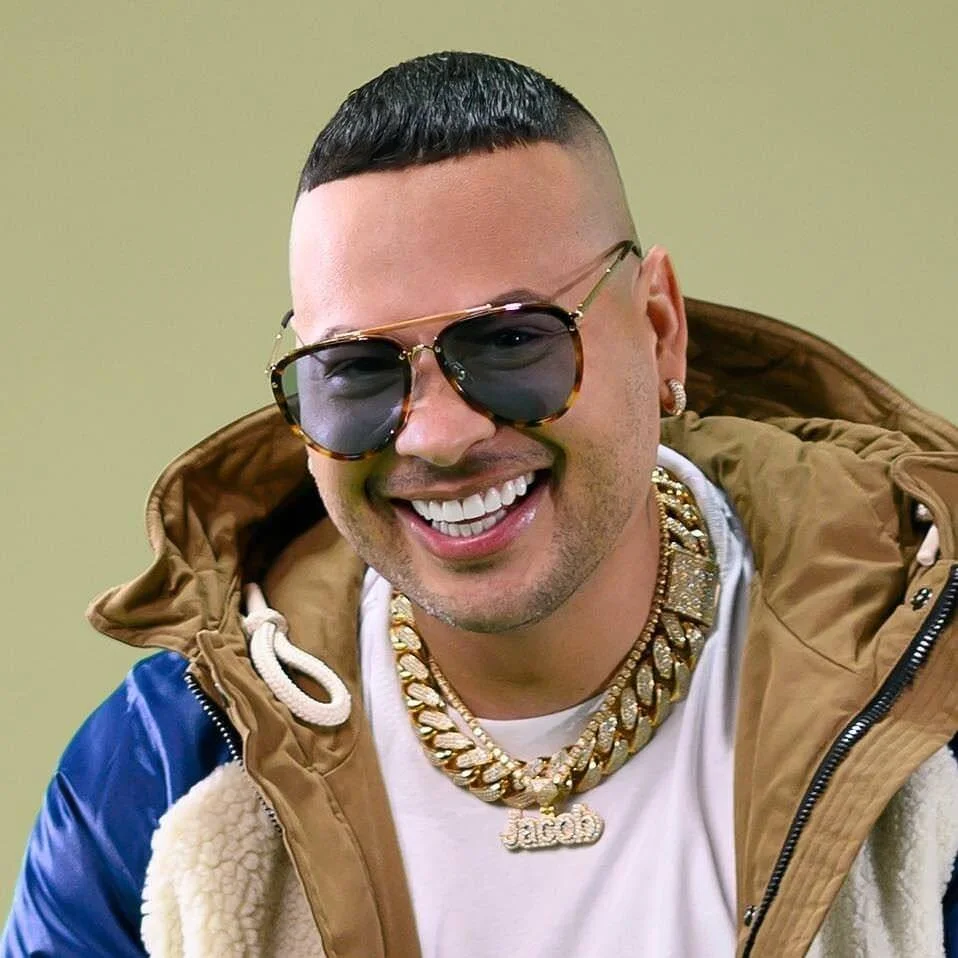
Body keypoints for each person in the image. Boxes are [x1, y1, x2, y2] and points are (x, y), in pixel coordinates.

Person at [3, 51, 957, 958]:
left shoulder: (927, 684)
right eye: (358, 369)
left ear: (660, 328)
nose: (436, 436)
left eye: (510, 343)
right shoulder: (168, 759)